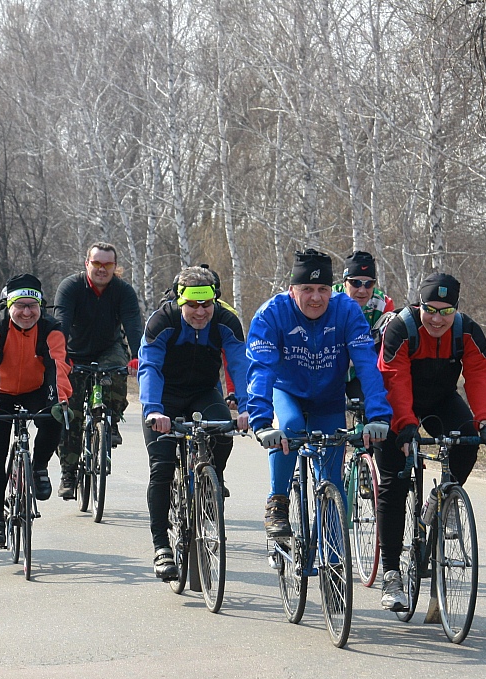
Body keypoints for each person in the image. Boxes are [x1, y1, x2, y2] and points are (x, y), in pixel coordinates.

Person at [375, 272, 486, 610]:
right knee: (393, 482)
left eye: (446, 312)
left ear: (456, 310)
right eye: (430, 310)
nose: (436, 319)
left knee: (468, 440)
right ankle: (391, 574)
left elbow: (479, 375)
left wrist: (485, 421)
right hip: (394, 403)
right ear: (419, 305)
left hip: (441, 400)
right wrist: (405, 424)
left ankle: (443, 498)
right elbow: (394, 378)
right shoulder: (401, 329)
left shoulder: (467, 331)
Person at [247, 249, 393, 538]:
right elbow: (260, 369)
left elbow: (367, 364)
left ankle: (334, 556)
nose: (316, 298)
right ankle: (278, 501)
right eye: (307, 289)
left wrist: (378, 415)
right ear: (292, 290)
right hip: (286, 391)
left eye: (323, 289)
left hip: (328, 398)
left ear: (332, 290)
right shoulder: (271, 314)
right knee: (290, 427)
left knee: (333, 484)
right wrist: (261, 422)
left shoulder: (347, 310)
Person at [139, 266, 250, 580]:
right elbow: (149, 367)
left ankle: (212, 481)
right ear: (180, 301)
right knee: (162, 468)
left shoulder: (226, 320)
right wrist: (154, 411)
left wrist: (247, 408)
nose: (200, 312)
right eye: (192, 305)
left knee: (223, 432)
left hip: (203, 393)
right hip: (164, 398)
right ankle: (161, 547)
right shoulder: (162, 321)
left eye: (206, 304)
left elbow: (240, 364)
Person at [0, 274, 72, 548]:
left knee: (54, 418)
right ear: (9, 306)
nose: (27, 313)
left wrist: (60, 401)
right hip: (0, 392)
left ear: (41, 306)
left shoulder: (52, 329)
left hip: (36, 390)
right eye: (20, 306)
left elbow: (59, 367)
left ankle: (39, 466)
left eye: (33, 306)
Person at [52, 242, 142, 499]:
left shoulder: (123, 291)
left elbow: (133, 325)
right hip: (74, 351)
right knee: (70, 415)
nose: (102, 269)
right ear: (87, 264)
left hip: (108, 348)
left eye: (108, 264)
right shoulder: (71, 287)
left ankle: (110, 421)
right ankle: (68, 473)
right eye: (97, 263)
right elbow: (61, 324)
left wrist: (138, 357)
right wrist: (60, 357)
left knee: (115, 372)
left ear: (115, 267)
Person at [332, 250, 394, 403]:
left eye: (369, 284)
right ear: (344, 282)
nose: (362, 290)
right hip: (330, 369)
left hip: (362, 371)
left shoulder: (383, 304)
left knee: (374, 405)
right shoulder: (329, 299)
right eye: (356, 283)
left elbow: (388, 349)